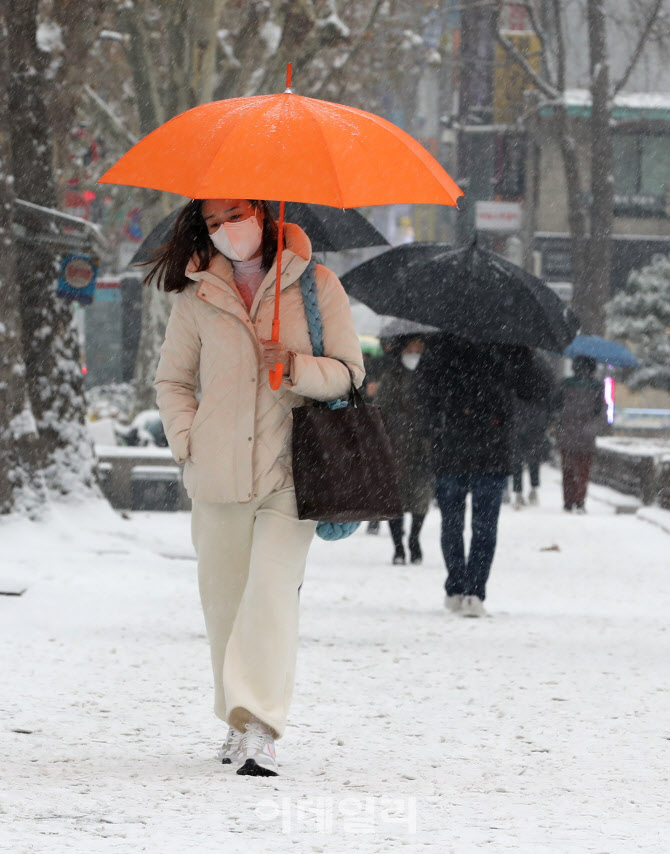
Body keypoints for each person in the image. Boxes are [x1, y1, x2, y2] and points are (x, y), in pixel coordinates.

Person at [150, 198, 364, 776]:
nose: (226, 230)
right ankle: (235, 717)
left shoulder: (317, 285)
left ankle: (258, 726)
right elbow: (172, 380)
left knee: (270, 593)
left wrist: (294, 365)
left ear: (263, 213)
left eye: (235, 215)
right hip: (216, 472)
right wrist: (187, 438)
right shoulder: (195, 295)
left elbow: (350, 372)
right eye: (214, 223)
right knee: (224, 602)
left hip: (292, 472)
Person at [423, 336, 549, 617]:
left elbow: (423, 393)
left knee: (452, 524)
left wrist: (434, 427)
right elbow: (537, 390)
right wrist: (524, 355)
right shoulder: (508, 344)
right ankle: (474, 592)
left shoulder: (442, 342)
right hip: (491, 450)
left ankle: (456, 586)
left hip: (451, 448)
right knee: (484, 526)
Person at [374, 335, 433, 565]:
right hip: (395, 446)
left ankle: (414, 539)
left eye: (419, 347)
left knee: (420, 497)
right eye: (411, 347)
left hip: (422, 447)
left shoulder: (430, 376)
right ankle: (398, 545)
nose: (415, 352)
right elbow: (381, 409)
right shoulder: (391, 377)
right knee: (394, 499)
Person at [555, 356, 605, 513]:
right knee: (583, 470)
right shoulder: (597, 386)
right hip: (586, 434)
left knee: (567, 468)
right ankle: (580, 500)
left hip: (567, 432)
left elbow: (556, 405)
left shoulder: (565, 384)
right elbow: (599, 410)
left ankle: (568, 501)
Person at [510, 354, 556, 509]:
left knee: (517, 457)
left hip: (517, 417)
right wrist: (548, 418)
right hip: (537, 418)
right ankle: (534, 489)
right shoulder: (543, 365)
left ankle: (517, 493)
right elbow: (551, 394)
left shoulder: (513, 363)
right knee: (533, 456)